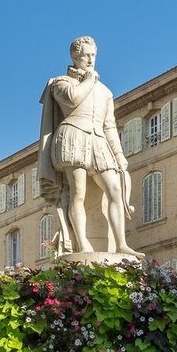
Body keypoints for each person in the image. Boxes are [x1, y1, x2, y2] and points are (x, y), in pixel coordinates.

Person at [38, 35, 140, 257]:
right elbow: (73, 99)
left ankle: (121, 244)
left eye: (94, 55)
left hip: (98, 141)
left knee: (115, 189)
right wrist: (89, 80)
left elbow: (109, 126)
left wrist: (120, 155)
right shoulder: (61, 83)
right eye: (86, 55)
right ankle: (82, 243)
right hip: (73, 137)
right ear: (75, 56)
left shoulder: (105, 92)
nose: (91, 59)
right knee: (78, 194)